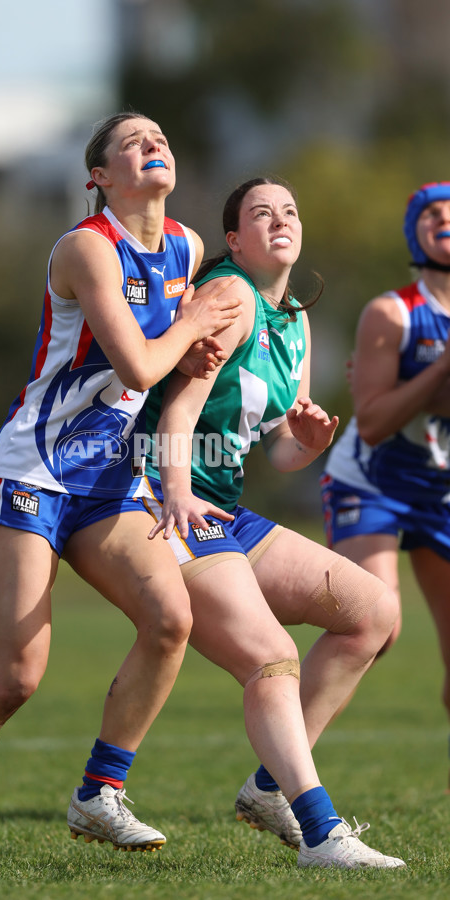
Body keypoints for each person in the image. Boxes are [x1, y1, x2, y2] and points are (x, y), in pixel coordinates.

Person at [0, 111, 243, 868]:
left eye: (161, 138)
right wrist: (195, 320)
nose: (154, 145)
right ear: (98, 177)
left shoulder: (188, 246)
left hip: (109, 479)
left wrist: (207, 343)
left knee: (171, 618)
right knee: (16, 677)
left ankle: (99, 794)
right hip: (33, 471)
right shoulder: (85, 246)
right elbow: (139, 365)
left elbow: (171, 363)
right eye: (133, 142)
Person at [143, 177, 405, 868]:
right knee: (269, 657)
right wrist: (172, 496)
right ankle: (321, 831)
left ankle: (268, 788)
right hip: (165, 497)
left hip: (220, 505)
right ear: (234, 240)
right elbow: (177, 412)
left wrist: (309, 444)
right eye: (261, 213)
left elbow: (281, 451)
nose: (279, 219)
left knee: (374, 614)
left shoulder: (295, 316)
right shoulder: (228, 295)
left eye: (289, 210)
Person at [321, 180, 450, 786]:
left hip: (441, 490)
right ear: (413, 231)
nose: (446, 222)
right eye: (434, 215)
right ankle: (278, 770)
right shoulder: (393, 312)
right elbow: (371, 423)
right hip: (371, 483)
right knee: (381, 625)